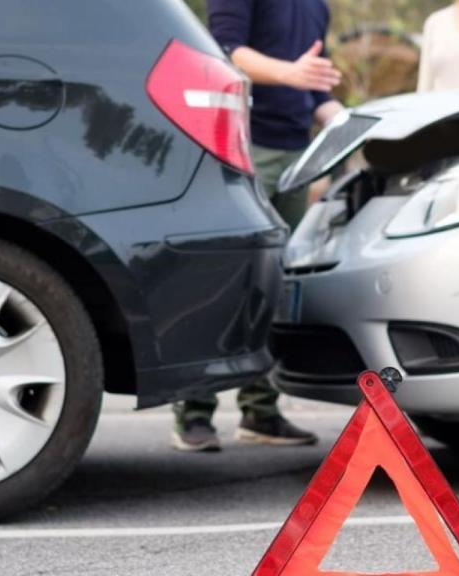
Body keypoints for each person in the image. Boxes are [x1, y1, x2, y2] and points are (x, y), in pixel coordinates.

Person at [172, 0, 345, 452]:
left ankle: (261, 411)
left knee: (280, 285)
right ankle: (193, 412)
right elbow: (225, 52)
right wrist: (290, 73)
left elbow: (314, 89)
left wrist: (340, 118)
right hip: (241, 144)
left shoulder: (317, 7)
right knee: (222, 279)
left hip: (296, 154)